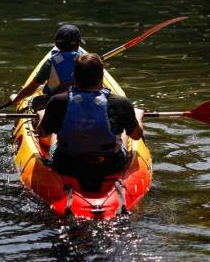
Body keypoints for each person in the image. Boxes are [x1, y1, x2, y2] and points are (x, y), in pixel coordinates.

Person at [36, 53, 144, 188]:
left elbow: (42, 133)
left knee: (56, 132)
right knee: (121, 129)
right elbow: (136, 135)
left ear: (74, 76)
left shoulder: (58, 101)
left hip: (67, 165)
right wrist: (137, 117)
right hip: (110, 165)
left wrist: (42, 116)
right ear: (102, 77)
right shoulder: (120, 103)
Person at [10, 24, 87, 110]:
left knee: (36, 101)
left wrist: (15, 100)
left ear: (57, 45)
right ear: (77, 45)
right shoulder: (87, 61)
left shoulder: (50, 63)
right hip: (82, 102)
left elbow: (29, 90)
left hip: (56, 104)